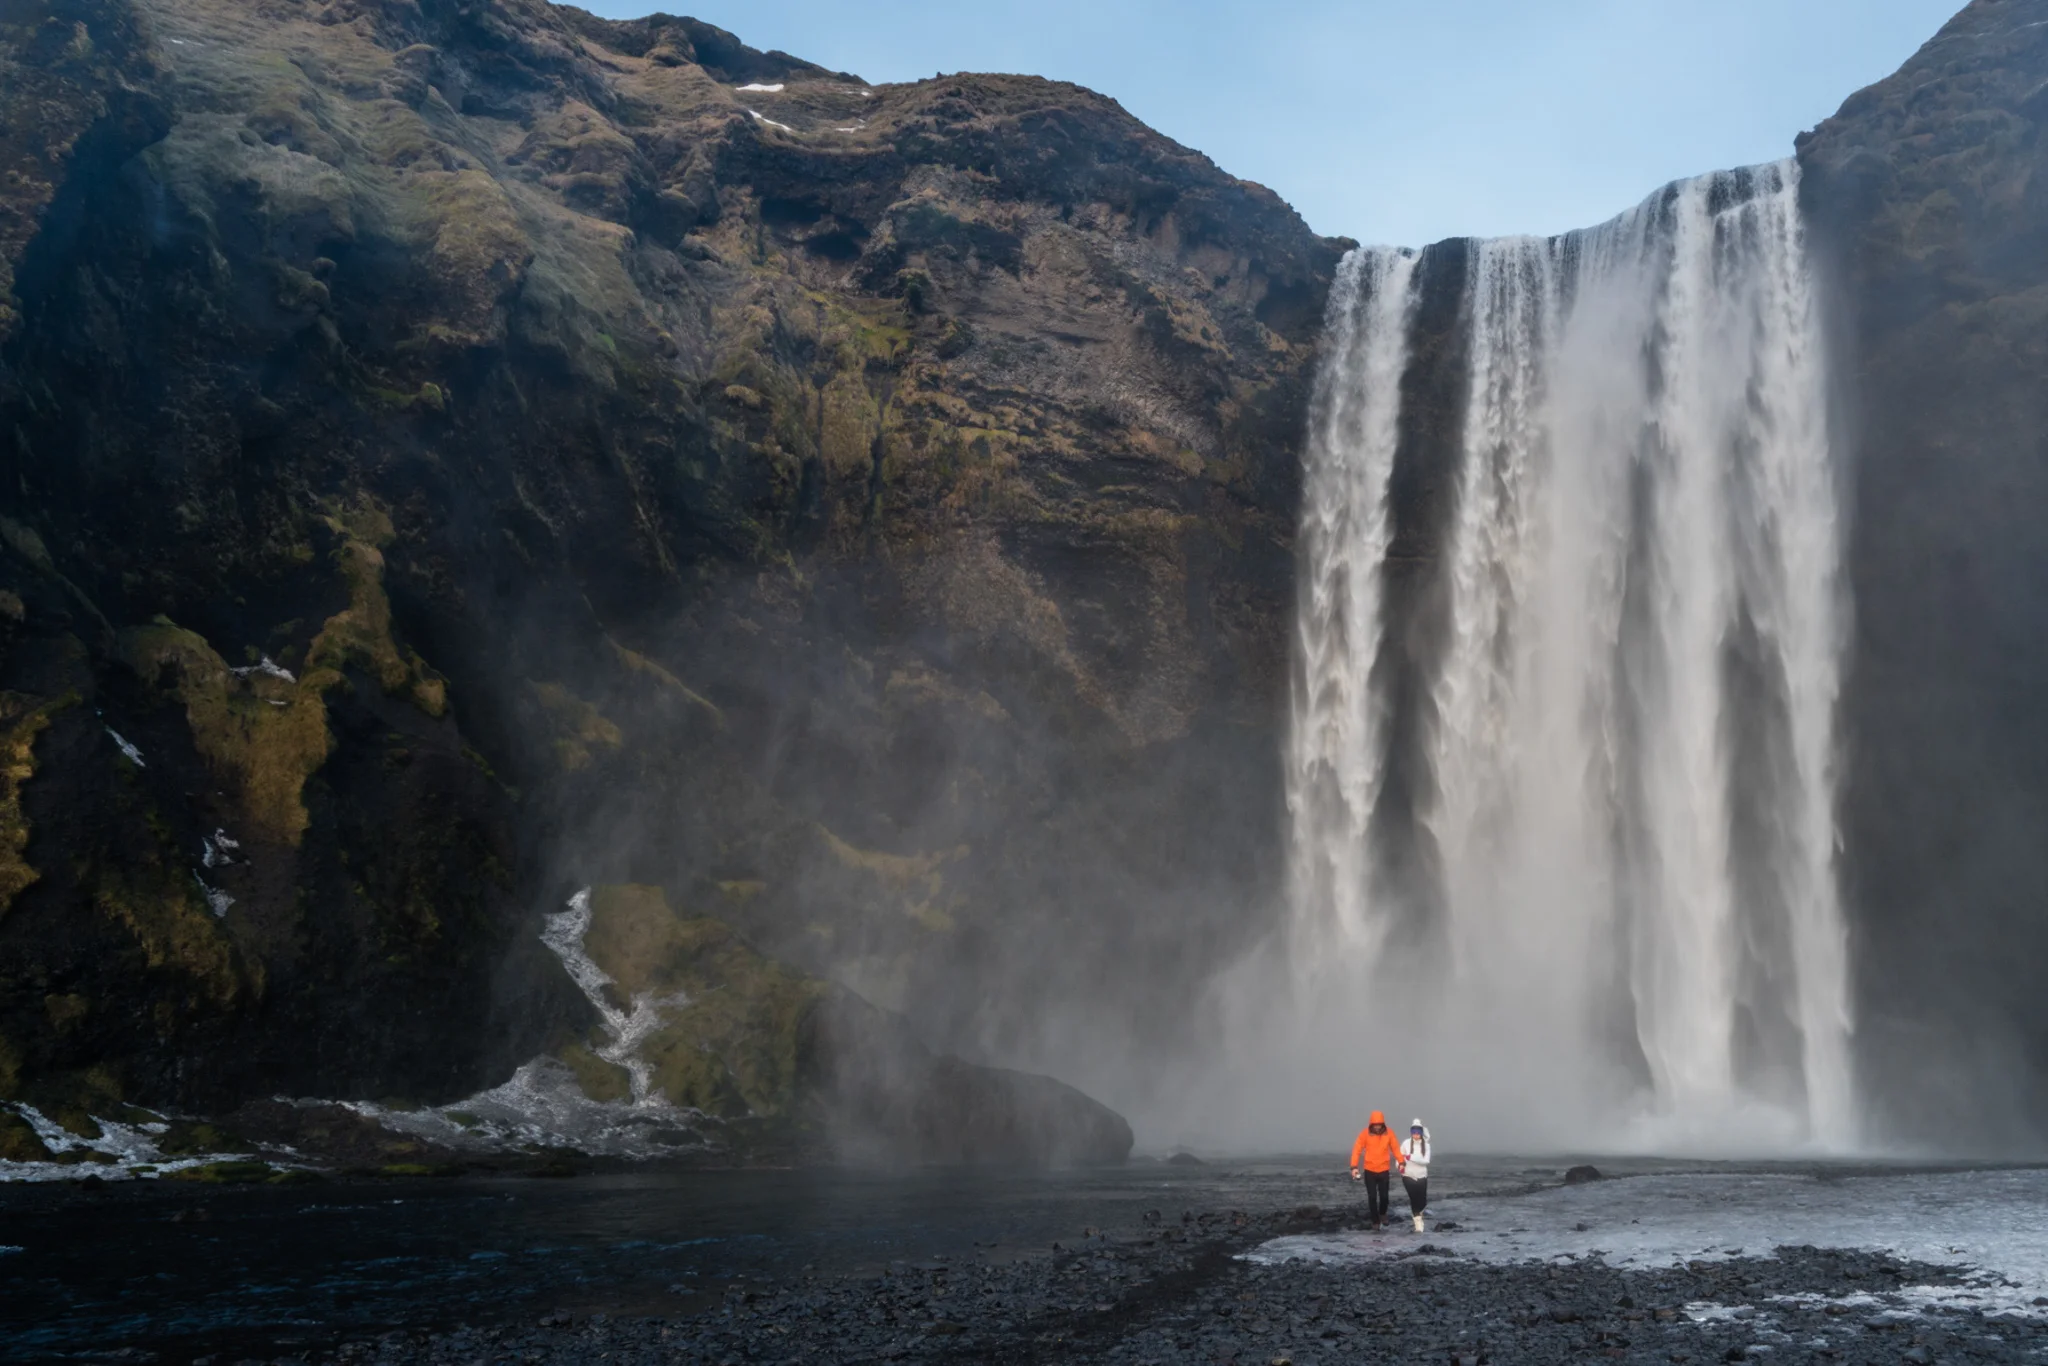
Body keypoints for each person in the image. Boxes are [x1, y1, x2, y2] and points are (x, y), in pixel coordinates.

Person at [1349, 1110, 1403, 1230]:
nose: (1377, 1126)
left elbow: (1395, 1148)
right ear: (1371, 1124)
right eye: (1375, 1124)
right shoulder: (1364, 1134)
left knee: (1384, 1197)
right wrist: (1354, 1167)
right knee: (1372, 1197)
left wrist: (1401, 1161)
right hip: (1369, 1170)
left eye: (1379, 1124)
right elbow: (1356, 1150)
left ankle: (1383, 1213)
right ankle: (1375, 1221)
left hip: (1384, 1170)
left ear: (1383, 1123)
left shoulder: (1389, 1133)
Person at [1400, 1118, 1432, 1232]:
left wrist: (1411, 1157)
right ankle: (1418, 1225)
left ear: (1422, 1132)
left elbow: (1426, 1161)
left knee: (1422, 1201)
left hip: (1422, 1176)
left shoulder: (1426, 1146)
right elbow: (1399, 1157)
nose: (1416, 1134)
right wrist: (1400, 1166)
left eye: (1418, 1131)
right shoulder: (1406, 1143)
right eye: (1413, 1131)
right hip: (1408, 1175)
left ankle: (1419, 1214)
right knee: (1413, 1199)